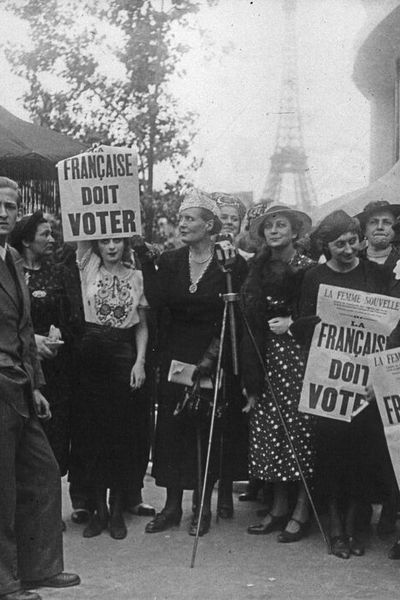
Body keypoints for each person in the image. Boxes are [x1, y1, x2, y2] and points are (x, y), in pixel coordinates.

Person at [138, 189, 247, 536]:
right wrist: (143, 258)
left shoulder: (229, 263)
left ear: (209, 224)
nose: (182, 224)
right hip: (175, 355)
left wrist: (213, 358)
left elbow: (235, 312)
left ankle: (202, 507)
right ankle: (171, 506)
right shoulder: (170, 261)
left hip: (211, 355)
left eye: (190, 219)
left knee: (205, 428)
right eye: (181, 218)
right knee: (171, 429)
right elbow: (155, 301)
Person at [0, 177, 79, 600]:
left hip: (20, 387)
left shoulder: (11, 258)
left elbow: (26, 329)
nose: (3, 212)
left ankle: (38, 568)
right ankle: (5, 581)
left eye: (10, 206)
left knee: (43, 475)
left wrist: (38, 385)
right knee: (2, 488)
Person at [298, 209, 390, 559]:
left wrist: (378, 379)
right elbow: (303, 324)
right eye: (340, 244)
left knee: (362, 458)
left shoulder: (376, 274)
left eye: (354, 241)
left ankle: (354, 526)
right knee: (332, 456)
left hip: (365, 381)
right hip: (330, 382)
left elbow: (389, 329)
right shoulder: (314, 277)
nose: (349, 249)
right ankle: (336, 527)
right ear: (326, 246)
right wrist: (322, 324)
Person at [240, 204, 316, 544]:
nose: (273, 231)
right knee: (272, 431)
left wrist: (292, 324)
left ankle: (302, 509)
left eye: (281, 225)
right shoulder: (256, 268)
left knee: (300, 431)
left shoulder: (309, 269)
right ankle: (280, 505)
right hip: (267, 358)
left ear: (295, 232)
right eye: (268, 226)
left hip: (299, 358)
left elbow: (319, 316)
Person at [76, 236, 148, 540]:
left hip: (123, 354)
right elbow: (79, 233)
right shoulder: (88, 267)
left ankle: (117, 509)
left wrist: (139, 362)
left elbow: (142, 324)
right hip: (92, 352)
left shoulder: (137, 277)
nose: (111, 246)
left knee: (121, 434)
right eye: (104, 241)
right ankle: (98, 511)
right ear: (96, 247)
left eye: (117, 239)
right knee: (94, 435)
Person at [9, 212, 78, 482]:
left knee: (54, 440)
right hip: (21, 367)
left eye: (52, 233)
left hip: (56, 371)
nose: (51, 239)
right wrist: (32, 343)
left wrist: (60, 333)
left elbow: (75, 318)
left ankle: (49, 513)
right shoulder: (11, 273)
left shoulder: (60, 273)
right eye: (44, 235)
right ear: (26, 241)